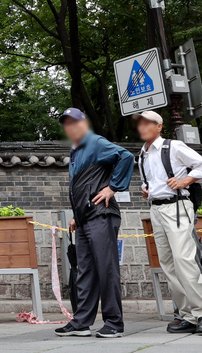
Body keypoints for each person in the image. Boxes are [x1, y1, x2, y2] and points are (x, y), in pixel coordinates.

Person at [53, 107, 134, 340]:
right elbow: (83, 186)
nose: (70, 127)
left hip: (102, 215)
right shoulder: (76, 151)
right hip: (86, 218)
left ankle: (114, 323)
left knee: (106, 268)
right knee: (85, 271)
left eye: (74, 122)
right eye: (66, 124)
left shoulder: (95, 142)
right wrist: (76, 217)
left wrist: (113, 187)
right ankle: (81, 322)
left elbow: (126, 156)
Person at [137, 110, 202, 336]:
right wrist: (146, 191)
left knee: (184, 259)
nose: (141, 127)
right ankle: (186, 315)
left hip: (177, 206)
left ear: (159, 126)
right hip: (156, 210)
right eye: (139, 124)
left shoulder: (173, 146)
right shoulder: (142, 155)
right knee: (168, 264)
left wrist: (185, 180)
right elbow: (148, 182)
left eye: (146, 123)